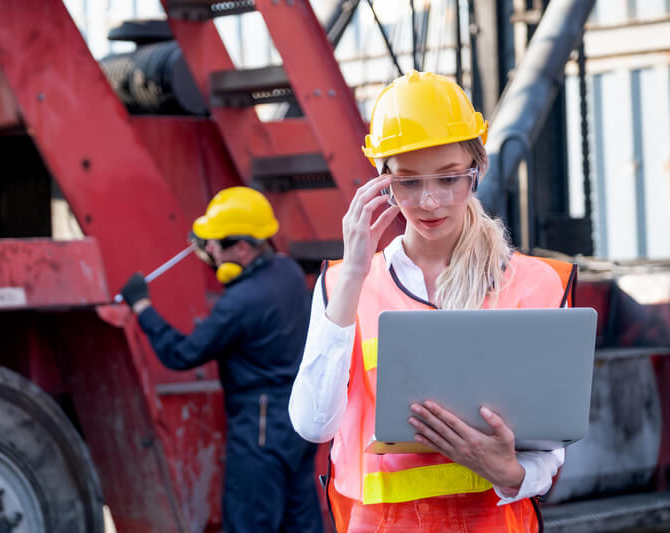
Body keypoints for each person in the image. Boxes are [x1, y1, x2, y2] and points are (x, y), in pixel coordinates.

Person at [288, 71, 577, 532]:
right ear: (381, 183)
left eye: (449, 179)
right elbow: (313, 425)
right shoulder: (346, 285)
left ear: (477, 171)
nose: (429, 202)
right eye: (407, 182)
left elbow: (548, 452)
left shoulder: (532, 283)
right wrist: (355, 275)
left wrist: (508, 472)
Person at [120, 186, 323, 533]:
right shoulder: (287, 272)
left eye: (216, 244)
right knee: (300, 521)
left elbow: (181, 354)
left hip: (260, 426)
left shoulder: (240, 303)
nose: (209, 251)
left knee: (249, 523)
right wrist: (214, 247)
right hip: (298, 421)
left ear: (242, 247)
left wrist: (142, 307)